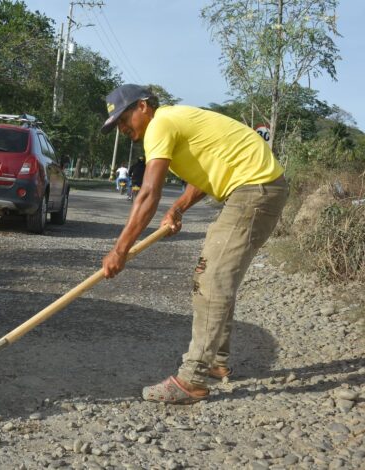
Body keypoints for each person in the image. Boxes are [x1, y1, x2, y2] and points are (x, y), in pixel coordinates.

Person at [99, 84, 287, 404]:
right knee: (213, 275)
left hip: (254, 190)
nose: (122, 128)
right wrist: (178, 208)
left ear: (143, 106)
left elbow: (148, 194)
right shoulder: (173, 121)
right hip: (255, 188)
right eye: (116, 124)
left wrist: (120, 250)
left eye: (123, 119)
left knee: (212, 278)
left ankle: (192, 379)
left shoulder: (160, 124)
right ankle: (215, 361)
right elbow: (205, 175)